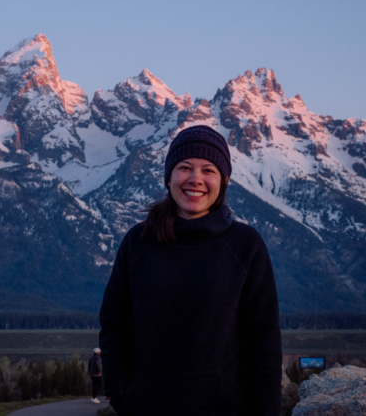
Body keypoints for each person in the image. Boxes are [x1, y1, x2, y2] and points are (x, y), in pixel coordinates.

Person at [99, 125, 282, 415]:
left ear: (222, 181)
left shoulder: (245, 246)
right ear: (169, 177)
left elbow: (264, 342)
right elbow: (114, 325)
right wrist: (122, 393)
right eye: (185, 167)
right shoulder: (138, 243)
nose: (195, 179)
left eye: (208, 170)